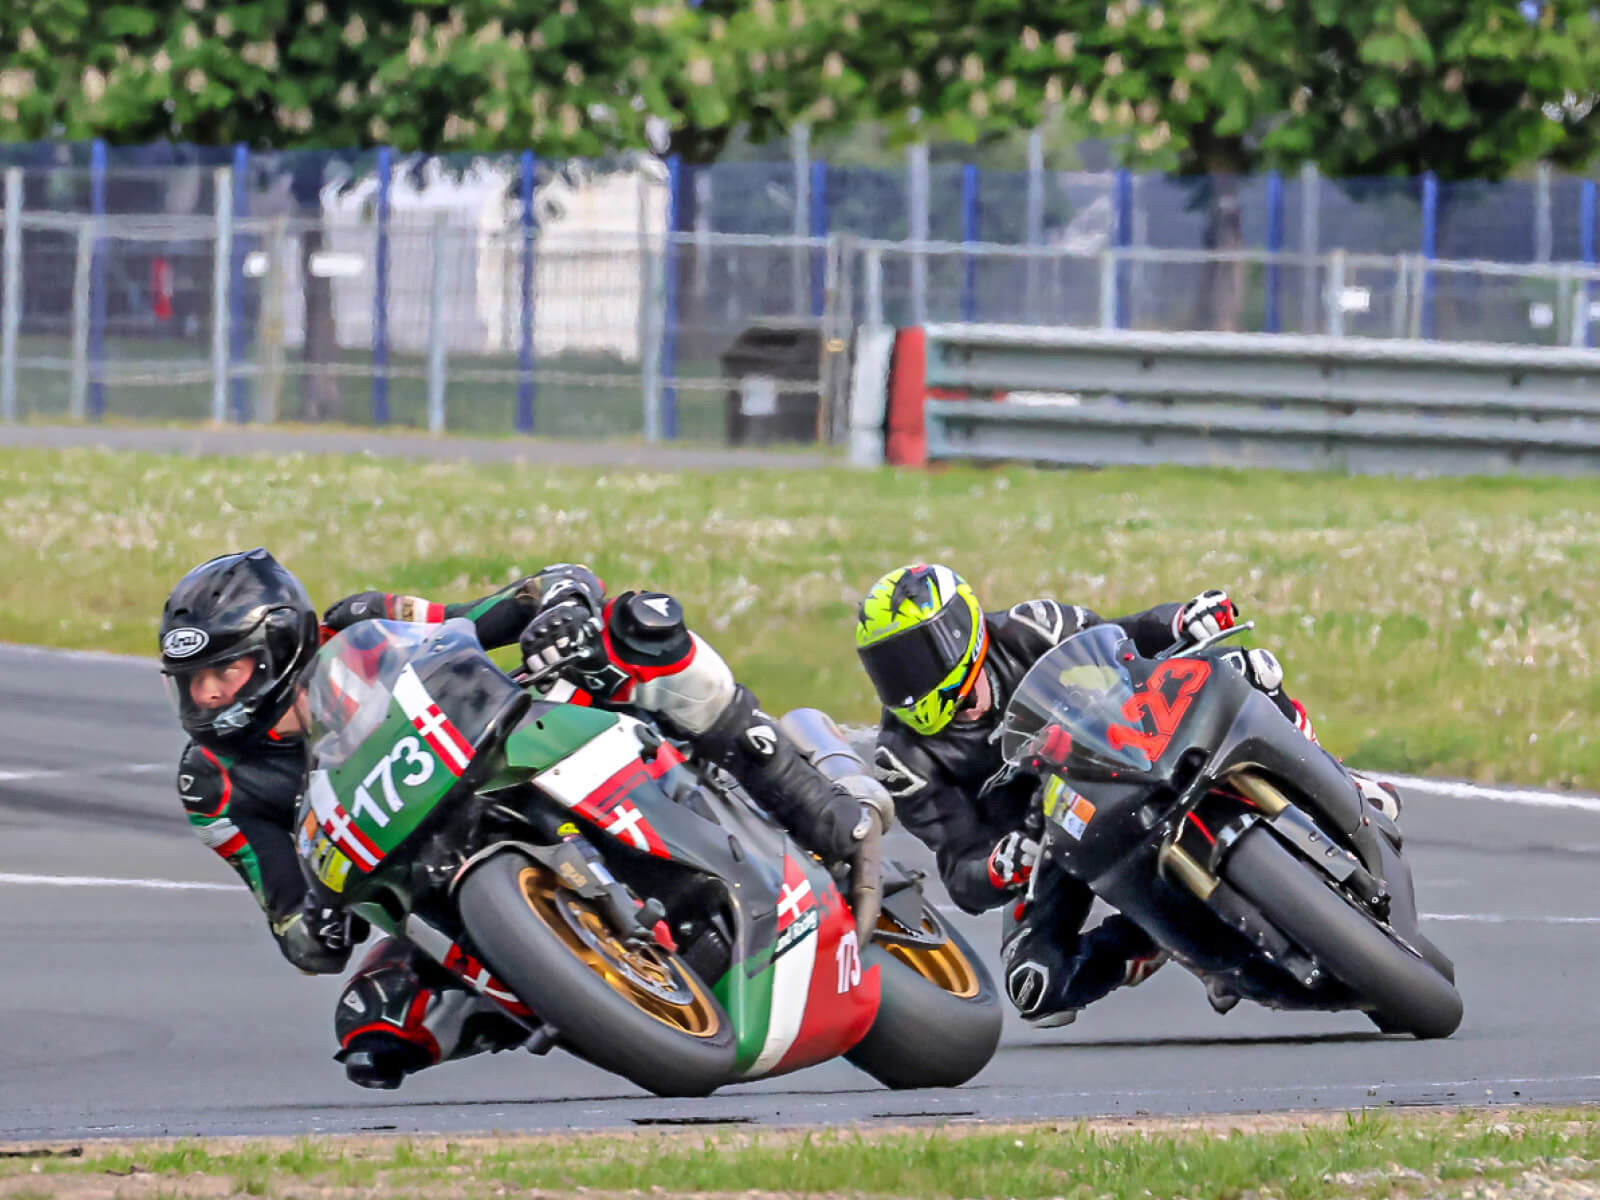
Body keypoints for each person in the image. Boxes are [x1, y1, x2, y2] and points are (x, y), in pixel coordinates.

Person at [163, 549, 881, 1089]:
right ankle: (568, 992)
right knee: (374, 1026)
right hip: (420, 875)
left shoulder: (361, 625)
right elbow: (292, 922)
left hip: (497, 754)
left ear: (284, 645)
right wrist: (312, 925)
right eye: (193, 682)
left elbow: (494, 612)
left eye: (226, 671)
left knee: (629, 635)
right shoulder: (212, 781)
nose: (209, 695)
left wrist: (558, 605)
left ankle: (807, 799)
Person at [852, 563, 1399, 1028]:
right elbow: (961, 870)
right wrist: (1001, 863)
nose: (912, 680)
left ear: (961, 627)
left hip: (1118, 753)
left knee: (1242, 667)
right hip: (1048, 842)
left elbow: (1122, 638)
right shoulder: (903, 759)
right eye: (893, 667)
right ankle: (1150, 938)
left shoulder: (1029, 627)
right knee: (1037, 989)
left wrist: (1181, 619)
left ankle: (1339, 782)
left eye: (921, 654)